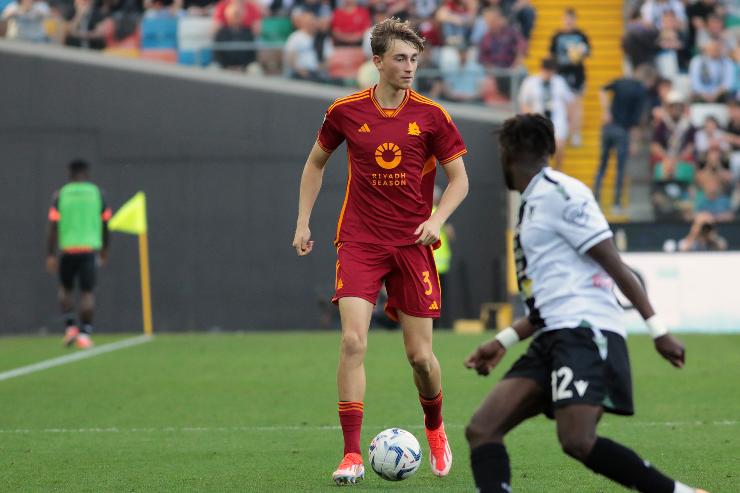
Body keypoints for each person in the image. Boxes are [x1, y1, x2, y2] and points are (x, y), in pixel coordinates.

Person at [464, 113, 705, 493]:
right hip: (555, 332)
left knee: (576, 439)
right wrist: (501, 341)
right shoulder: (531, 205)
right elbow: (547, 305)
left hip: (585, 332)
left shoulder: (563, 193)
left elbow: (615, 265)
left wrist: (659, 331)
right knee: (483, 428)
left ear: (506, 154)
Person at [292, 18, 469, 484]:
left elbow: (460, 180)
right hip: (360, 240)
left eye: (414, 59)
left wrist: (437, 219)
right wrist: (303, 221)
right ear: (377, 62)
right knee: (352, 341)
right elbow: (315, 163)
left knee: (420, 359)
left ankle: (435, 428)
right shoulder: (345, 111)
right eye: (400, 59)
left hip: (412, 244)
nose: (410, 67)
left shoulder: (432, 115)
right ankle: (351, 454)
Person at [46, 160, 112, 349]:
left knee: (66, 290)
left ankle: (70, 328)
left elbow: (52, 226)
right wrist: (105, 249)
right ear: (86, 173)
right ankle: (85, 334)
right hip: (88, 251)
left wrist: (50, 254)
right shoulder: (97, 194)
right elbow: (106, 223)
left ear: (70, 173)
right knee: (87, 292)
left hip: (68, 250)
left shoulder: (61, 194)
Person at [593, 64, 652, 214]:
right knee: (620, 169)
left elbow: (601, 89)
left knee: (602, 166)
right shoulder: (641, 92)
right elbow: (637, 121)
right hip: (623, 131)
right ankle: (616, 204)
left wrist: (606, 110)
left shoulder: (621, 82)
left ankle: (595, 199)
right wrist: (634, 142)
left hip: (608, 128)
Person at [518, 58, 573, 169]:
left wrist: (570, 120)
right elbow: (524, 103)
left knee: (559, 147)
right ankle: (541, 173)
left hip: (557, 120)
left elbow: (569, 101)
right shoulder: (530, 82)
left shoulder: (559, 82)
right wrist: (528, 120)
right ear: (542, 69)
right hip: (538, 121)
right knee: (539, 151)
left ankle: (558, 172)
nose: (549, 74)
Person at [549, 8, 590, 146]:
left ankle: (575, 133)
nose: (568, 21)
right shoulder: (557, 36)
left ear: (575, 20)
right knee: (562, 105)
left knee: (577, 105)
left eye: (571, 19)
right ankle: (563, 132)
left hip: (577, 75)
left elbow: (587, 52)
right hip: (561, 75)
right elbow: (552, 56)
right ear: (563, 19)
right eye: (566, 18)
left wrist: (580, 51)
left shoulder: (581, 35)